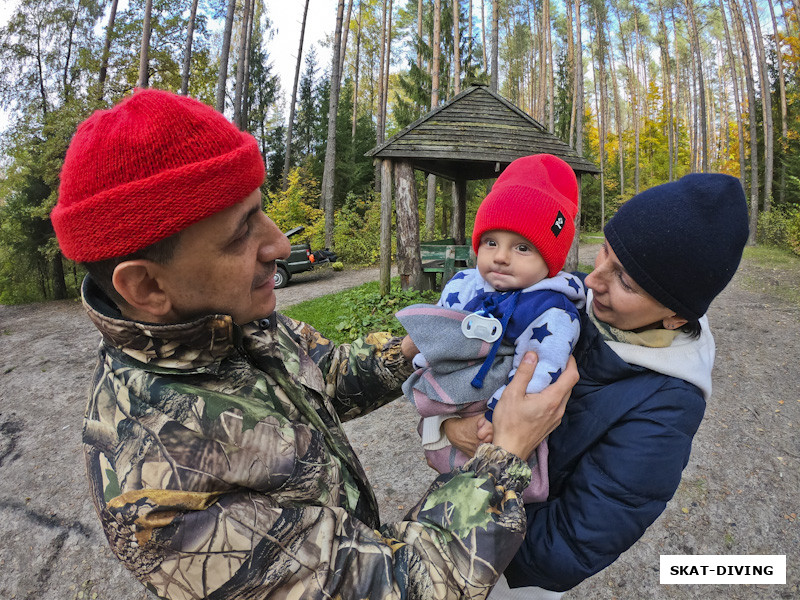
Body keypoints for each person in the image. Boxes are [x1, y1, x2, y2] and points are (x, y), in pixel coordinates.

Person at [49, 88, 578, 600]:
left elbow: (326, 372)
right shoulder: (160, 494)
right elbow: (397, 586)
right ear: (146, 287)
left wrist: (429, 343)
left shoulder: (228, 325)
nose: (278, 243)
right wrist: (505, 454)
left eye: (262, 209)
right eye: (240, 234)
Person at [441, 173, 750, 598]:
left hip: (500, 571)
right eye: (604, 250)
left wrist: (461, 548)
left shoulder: (667, 406)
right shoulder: (565, 303)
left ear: (676, 317)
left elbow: (574, 541)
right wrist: (448, 430)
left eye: (625, 280)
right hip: (453, 513)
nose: (592, 279)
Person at [397, 154, 585, 503]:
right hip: (460, 394)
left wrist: (496, 412)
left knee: (494, 485)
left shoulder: (550, 309)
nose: (500, 257)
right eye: (491, 242)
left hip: (504, 407)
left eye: (523, 247)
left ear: (550, 261)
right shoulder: (466, 283)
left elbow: (541, 366)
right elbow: (442, 326)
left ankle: (490, 502)